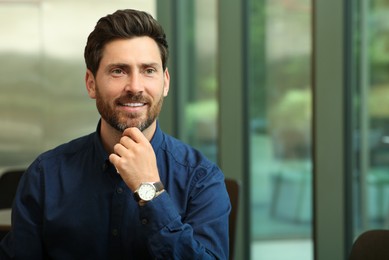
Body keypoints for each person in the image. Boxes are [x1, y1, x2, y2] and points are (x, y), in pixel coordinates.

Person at [0, 9, 230, 259]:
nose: (135, 87)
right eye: (118, 70)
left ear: (165, 82)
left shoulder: (202, 179)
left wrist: (149, 190)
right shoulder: (45, 176)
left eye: (148, 70)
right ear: (91, 83)